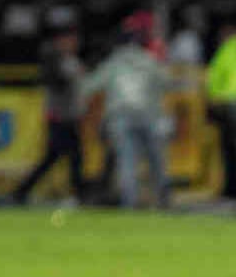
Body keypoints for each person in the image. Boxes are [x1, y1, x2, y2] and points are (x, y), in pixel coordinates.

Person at [84, 19, 172, 209]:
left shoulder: (114, 62)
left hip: (121, 115)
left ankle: (129, 202)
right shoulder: (149, 60)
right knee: (156, 160)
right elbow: (166, 83)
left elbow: (90, 86)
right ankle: (164, 200)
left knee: (127, 161)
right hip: (148, 115)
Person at [10, 26, 87, 205]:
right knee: (63, 157)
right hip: (60, 117)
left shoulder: (69, 60)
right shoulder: (55, 59)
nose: (74, 43)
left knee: (66, 157)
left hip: (69, 116)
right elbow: (57, 81)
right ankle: (23, 191)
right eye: (70, 39)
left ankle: (23, 191)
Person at [206, 21, 236, 200]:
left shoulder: (235, 50)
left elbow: (214, 74)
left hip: (230, 105)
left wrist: (214, 96)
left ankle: (234, 187)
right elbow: (218, 75)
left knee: (232, 150)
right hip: (235, 106)